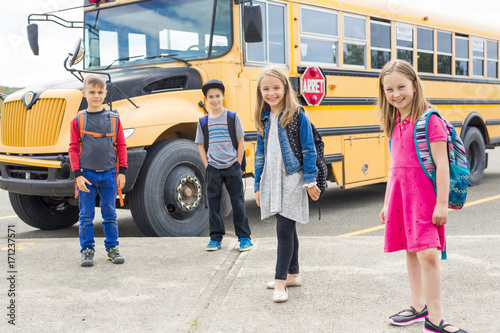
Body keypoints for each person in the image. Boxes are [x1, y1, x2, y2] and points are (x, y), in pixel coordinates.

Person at [378, 60, 468, 333]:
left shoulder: (431, 121)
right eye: (389, 89)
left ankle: (436, 317)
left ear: (415, 86)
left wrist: (442, 203)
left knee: (428, 254)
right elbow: (394, 167)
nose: (396, 94)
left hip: (426, 199)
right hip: (401, 198)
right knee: (410, 251)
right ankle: (418, 307)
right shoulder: (396, 122)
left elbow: (442, 165)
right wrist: (385, 203)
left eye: (401, 87)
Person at [253, 67, 320, 303]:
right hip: (273, 179)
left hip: (294, 178)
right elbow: (260, 154)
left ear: (285, 88)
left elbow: (309, 149)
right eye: (266, 89)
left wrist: (310, 180)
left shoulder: (297, 114)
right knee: (288, 228)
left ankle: (281, 282)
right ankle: (293, 274)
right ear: (260, 92)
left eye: (276, 88)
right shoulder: (263, 118)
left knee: (283, 229)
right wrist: (257, 185)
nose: (271, 93)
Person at [68, 74, 127, 267]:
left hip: (109, 174)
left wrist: (122, 172)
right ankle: (87, 250)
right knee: (86, 216)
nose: (96, 96)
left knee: (110, 214)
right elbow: (73, 149)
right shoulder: (78, 121)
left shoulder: (115, 119)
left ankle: (112, 248)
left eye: (100, 92)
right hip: (87, 176)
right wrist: (78, 176)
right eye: (92, 92)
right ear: (84, 94)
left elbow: (122, 146)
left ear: (105, 94)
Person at [195, 79, 253, 252]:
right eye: (211, 97)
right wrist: (207, 165)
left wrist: (237, 162)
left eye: (217, 96)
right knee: (214, 203)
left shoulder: (232, 117)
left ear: (223, 96)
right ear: (206, 98)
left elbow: (241, 141)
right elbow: (200, 145)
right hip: (213, 168)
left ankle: (244, 238)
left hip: (231, 166)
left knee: (238, 202)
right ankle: (215, 238)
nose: (214, 100)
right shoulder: (203, 121)